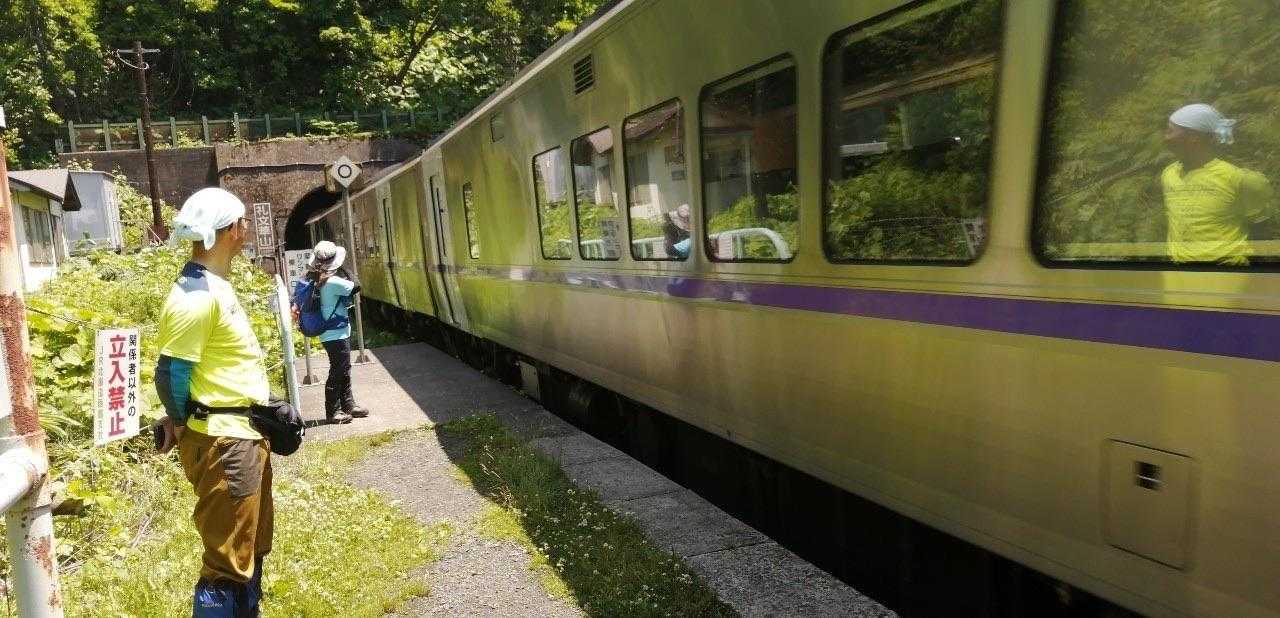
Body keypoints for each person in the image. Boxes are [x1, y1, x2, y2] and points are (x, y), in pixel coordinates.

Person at [153, 187, 273, 616]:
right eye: (243, 222)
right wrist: (180, 421)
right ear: (232, 230)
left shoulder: (214, 286)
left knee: (248, 548)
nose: (247, 229)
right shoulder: (196, 297)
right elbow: (171, 373)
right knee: (226, 563)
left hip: (241, 435)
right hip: (226, 443)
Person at [1162, 103, 1274, 265]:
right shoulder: (1169, 174)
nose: (1166, 138)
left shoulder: (1239, 179)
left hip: (1225, 274)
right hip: (1175, 274)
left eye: (1170, 131)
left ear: (1194, 137)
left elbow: (1261, 232)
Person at [307, 240, 368, 423]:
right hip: (336, 333)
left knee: (343, 369)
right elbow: (356, 286)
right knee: (338, 371)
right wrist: (344, 268)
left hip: (330, 332)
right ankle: (333, 411)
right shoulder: (332, 282)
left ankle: (348, 405)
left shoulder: (317, 280)